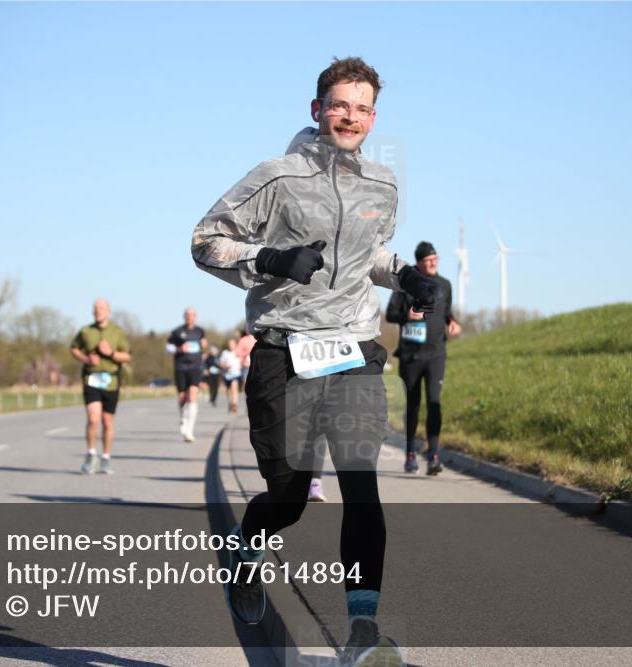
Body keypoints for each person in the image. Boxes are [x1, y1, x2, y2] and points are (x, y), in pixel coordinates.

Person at [192, 57, 437, 666]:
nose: (349, 116)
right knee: (291, 494)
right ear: (316, 109)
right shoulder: (275, 178)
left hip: (353, 348)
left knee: (361, 487)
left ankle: (361, 633)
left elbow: (369, 255)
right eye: (339, 104)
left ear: (373, 118)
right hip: (284, 350)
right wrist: (271, 260)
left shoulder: (385, 184)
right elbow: (204, 241)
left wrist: (399, 273)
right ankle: (249, 552)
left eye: (362, 108)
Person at [386, 241, 461, 475]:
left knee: (434, 402)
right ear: (418, 263)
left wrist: (452, 321)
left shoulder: (445, 285)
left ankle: (434, 455)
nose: (433, 263)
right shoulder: (407, 286)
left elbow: (446, 310)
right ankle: (410, 453)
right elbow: (390, 314)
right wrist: (407, 317)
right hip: (411, 355)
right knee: (413, 404)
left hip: (436, 353)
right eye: (428, 260)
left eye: (435, 259)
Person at [69, 298, 132, 474]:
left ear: (108, 311)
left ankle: (106, 457)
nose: (98, 311)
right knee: (93, 418)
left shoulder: (117, 332)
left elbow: (127, 356)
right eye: (96, 308)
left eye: (102, 308)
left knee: (107, 421)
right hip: (91, 379)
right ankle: (90, 454)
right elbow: (74, 348)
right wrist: (86, 359)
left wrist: (111, 353)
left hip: (111, 380)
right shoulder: (86, 331)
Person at [166, 307, 208, 443]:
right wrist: (178, 349)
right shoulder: (177, 332)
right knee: (182, 397)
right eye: (188, 315)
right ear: (184, 316)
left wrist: (204, 344)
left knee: (193, 396)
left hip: (195, 367)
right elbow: (168, 347)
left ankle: (190, 430)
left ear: (195, 317)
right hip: (181, 367)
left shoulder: (200, 331)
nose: (190, 317)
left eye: (192, 315)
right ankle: (183, 418)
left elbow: (203, 345)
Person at [219, 337, 243, 413]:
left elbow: (243, 360)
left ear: (235, 344)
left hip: (236, 373)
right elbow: (221, 364)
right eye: (229, 344)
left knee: (234, 387)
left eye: (232, 344)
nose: (231, 345)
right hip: (227, 374)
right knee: (229, 390)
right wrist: (225, 366)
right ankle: (230, 403)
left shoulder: (238, 352)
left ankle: (235, 404)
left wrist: (241, 365)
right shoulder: (225, 353)